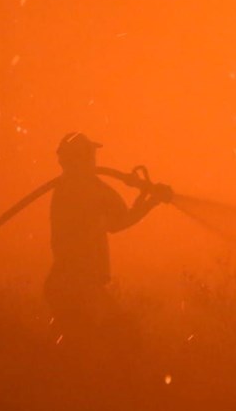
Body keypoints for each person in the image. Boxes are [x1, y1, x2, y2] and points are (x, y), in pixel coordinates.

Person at [45, 132, 165, 338]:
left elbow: (118, 220)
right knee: (122, 337)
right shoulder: (91, 189)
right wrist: (152, 201)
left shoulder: (64, 189)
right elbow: (120, 221)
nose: (94, 160)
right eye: (91, 155)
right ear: (81, 158)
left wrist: (145, 197)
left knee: (78, 344)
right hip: (82, 284)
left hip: (61, 283)